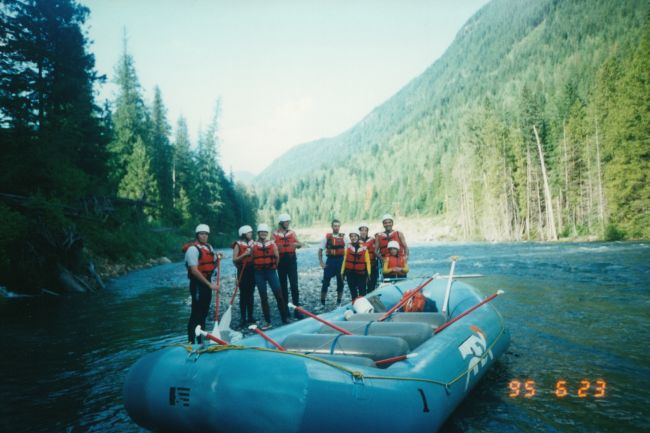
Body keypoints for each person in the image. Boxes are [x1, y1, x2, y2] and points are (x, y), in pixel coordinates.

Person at [184, 223, 221, 344]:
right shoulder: (192, 249)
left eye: (206, 234)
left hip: (206, 283)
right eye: (202, 234)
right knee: (196, 313)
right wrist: (209, 285)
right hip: (197, 284)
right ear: (197, 235)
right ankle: (191, 341)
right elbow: (194, 270)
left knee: (204, 312)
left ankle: (200, 340)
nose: (204, 236)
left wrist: (218, 258)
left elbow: (212, 263)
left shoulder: (209, 248)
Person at [252, 223, 288, 328]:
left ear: (267, 233)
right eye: (261, 232)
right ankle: (268, 322)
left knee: (279, 295)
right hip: (259, 273)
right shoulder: (253, 245)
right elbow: (252, 258)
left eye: (265, 232)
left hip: (271, 271)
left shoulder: (272, 244)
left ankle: (284, 318)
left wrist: (273, 267)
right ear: (258, 233)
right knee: (263, 297)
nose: (263, 233)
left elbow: (277, 257)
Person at [273, 213, 303, 319]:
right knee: (283, 286)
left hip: (291, 260)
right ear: (281, 223)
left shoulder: (292, 233)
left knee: (294, 286)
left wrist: (296, 245)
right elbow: (271, 247)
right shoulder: (274, 234)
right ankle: (285, 310)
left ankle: (296, 310)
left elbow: (299, 244)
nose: (287, 223)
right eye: (286, 222)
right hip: (281, 262)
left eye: (288, 222)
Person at [318, 219, 345, 307]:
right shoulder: (327, 238)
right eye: (335, 226)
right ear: (332, 227)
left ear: (339, 227)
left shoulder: (344, 237)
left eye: (338, 226)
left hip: (340, 261)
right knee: (325, 282)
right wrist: (321, 263)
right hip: (330, 260)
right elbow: (320, 250)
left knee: (340, 282)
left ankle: (339, 301)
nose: (336, 228)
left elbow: (349, 249)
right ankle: (322, 302)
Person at [232, 225, 255, 327]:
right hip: (242, 270)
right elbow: (235, 260)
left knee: (251, 294)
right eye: (249, 233)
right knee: (243, 295)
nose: (251, 234)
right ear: (243, 234)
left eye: (251, 232)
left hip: (252, 270)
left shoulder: (253, 243)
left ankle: (250, 316)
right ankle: (243, 318)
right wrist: (245, 255)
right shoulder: (238, 245)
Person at [341, 229, 371, 300]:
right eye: (351, 236)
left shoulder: (364, 248)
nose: (353, 238)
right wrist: (342, 272)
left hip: (361, 274)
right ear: (350, 238)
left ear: (358, 237)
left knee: (362, 292)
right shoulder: (347, 248)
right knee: (353, 292)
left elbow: (368, 262)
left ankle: (363, 307)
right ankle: (354, 304)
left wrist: (369, 273)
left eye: (355, 236)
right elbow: (344, 261)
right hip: (350, 274)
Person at [358, 222, 378, 293]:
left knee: (372, 286)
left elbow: (378, 247)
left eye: (365, 230)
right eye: (362, 230)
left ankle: (370, 298)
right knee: (362, 287)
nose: (363, 232)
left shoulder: (372, 240)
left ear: (367, 231)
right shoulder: (356, 241)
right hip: (361, 267)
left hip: (372, 265)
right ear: (359, 231)